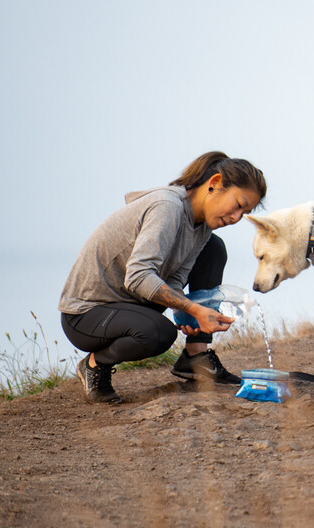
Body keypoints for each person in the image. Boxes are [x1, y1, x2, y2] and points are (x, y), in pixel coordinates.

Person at [59, 152, 267, 404]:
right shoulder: (167, 207)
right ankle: (94, 364)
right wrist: (192, 307)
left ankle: (195, 356)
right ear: (214, 183)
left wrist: (189, 315)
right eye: (238, 204)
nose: (236, 218)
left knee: (214, 249)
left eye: (244, 213)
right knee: (158, 333)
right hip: (87, 315)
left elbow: (176, 278)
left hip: (133, 303)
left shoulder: (202, 225)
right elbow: (137, 277)